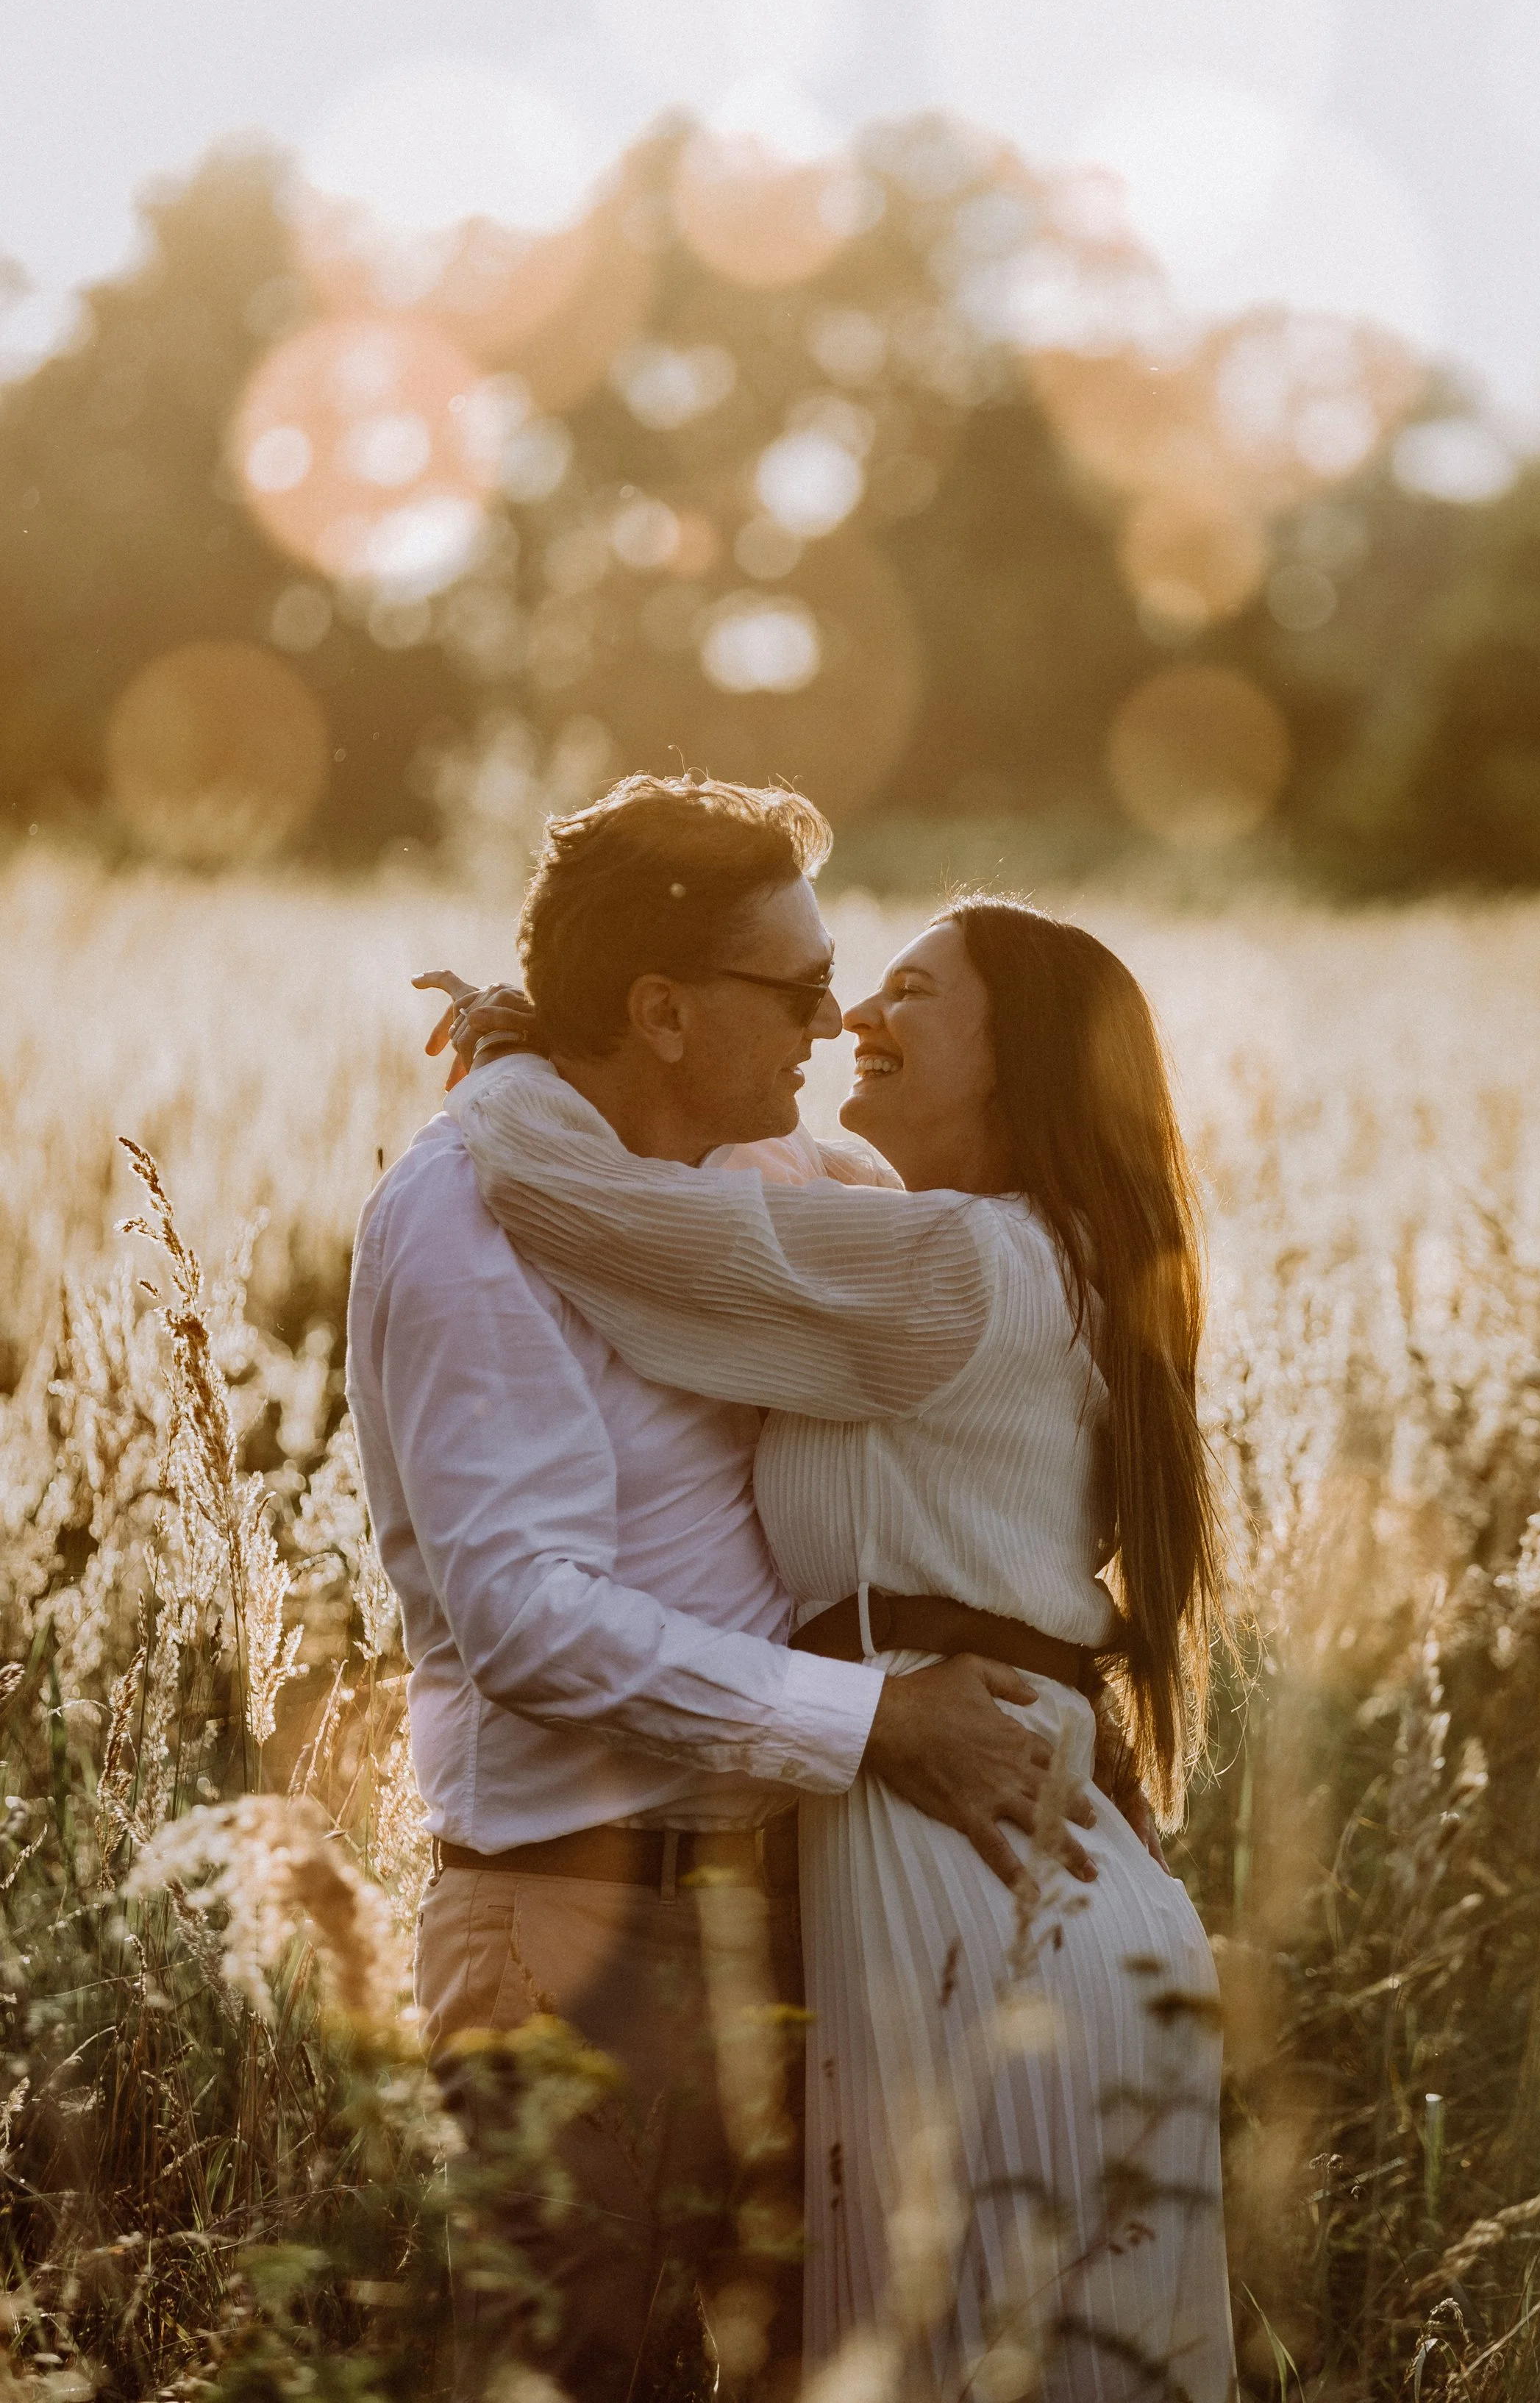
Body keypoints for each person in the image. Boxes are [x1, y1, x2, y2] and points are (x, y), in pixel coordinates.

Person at [346, 775, 1103, 2403]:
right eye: (800, 986)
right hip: (577, 1931)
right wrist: (876, 1722)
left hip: (793, 1913)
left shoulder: (756, 1169)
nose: (833, 1021)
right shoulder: (465, 1214)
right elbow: (527, 1617)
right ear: (663, 1012)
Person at [438, 891, 1237, 2400]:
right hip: (1036, 1881)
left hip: (976, 1896)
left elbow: (612, 1224)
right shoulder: (1024, 1254)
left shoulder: (958, 1268)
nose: (853, 1018)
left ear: (1018, 1058)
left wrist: (526, 1071)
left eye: (911, 994)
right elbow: (791, 1182)